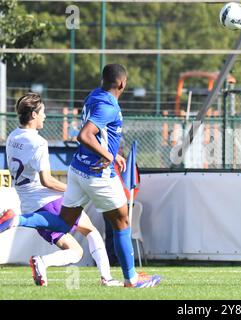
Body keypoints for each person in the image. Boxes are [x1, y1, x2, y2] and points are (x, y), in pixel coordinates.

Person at [0, 64, 160, 288]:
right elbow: (85, 135)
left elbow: (97, 133)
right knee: (122, 221)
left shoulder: (93, 96)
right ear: (122, 84)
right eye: (43, 112)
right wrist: (109, 156)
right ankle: (129, 278)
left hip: (76, 171)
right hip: (97, 174)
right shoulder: (106, 108)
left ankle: (19, 220)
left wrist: (112, 154)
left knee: (64, 224)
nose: (45, 115)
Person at [4, 92, 122, 287]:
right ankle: (107, 279)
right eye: (42, 112)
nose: (45, 116)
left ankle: (42, 262)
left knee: (76, 251)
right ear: (33, 115)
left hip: (29, 204)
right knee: (91, 231)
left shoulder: (12, 137)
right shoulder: (39, 143)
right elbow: (47, 181)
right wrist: (72, 190)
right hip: (48, 201)